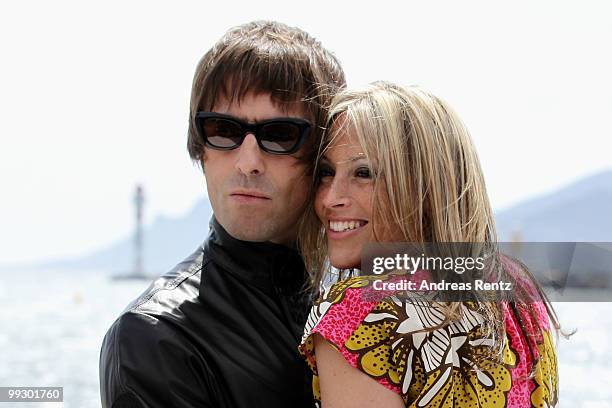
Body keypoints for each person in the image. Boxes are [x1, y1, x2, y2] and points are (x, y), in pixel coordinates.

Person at [99, 21, 345, 408]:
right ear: (201, 148)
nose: (248, 163)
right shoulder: (155, 335)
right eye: (223, 129)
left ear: (321, 154)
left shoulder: (362, 294)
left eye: (279, 134)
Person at [298, 82, 560, 407]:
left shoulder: (359, 313)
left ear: (425, 186)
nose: (331, 198)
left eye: (363, 173)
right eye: (326, 172)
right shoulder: (517, 291)